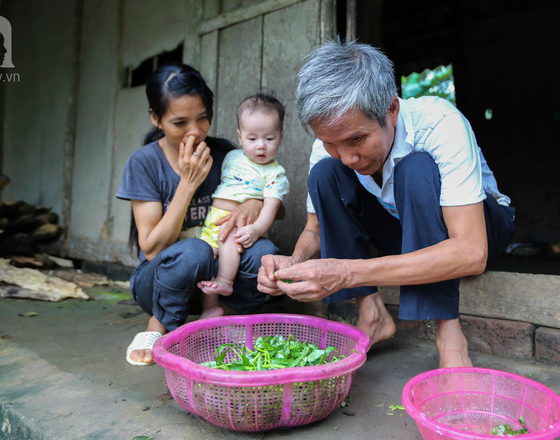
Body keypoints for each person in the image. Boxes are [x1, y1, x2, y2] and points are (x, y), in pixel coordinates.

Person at [257, 40, 516, 369]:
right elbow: (316, 229)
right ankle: (372, 312)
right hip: (403, 229)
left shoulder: (439, 123)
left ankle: (450, 337)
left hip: (480, 230)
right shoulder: (330, 149)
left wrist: (348, 272)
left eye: (357, 139)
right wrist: (292, 263)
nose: (348, 157)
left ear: (391, 110)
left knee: (415, 169)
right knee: (325, 174)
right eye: (331, 143)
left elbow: (471, 253)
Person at [117, 62, 279, 366]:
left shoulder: (225, 154)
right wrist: (187, 184)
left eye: (203, 118)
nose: (195, 131)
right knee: (195, 251)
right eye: (180, 123)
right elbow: (151, 248)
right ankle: (160, 326)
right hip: (160, 283)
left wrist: (255, 203)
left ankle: (228, 317)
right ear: (156, 118)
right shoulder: (144, 163)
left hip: (218, 282)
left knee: (263, 251)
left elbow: (275, 204)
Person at [197, 90, 290, 296]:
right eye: (252, 138)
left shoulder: (275, 173)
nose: (261, 145)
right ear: (240, 137)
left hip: (243, 225)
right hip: (214, 222)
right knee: (204, 261)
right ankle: (211, 306)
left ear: (281, 137)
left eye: (269, 138)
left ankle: (225, 281)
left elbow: (271, 208)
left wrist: (256, 229)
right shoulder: (231, 157)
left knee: (230, 245)